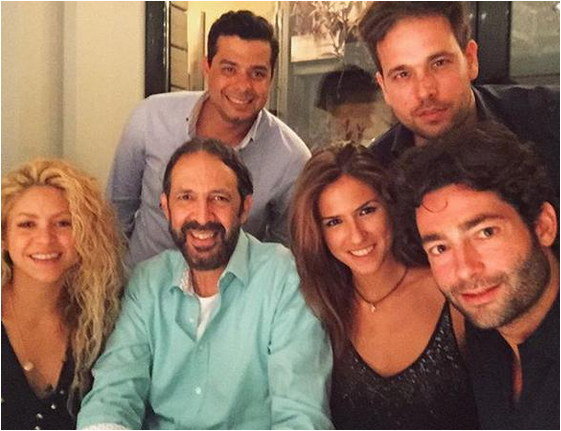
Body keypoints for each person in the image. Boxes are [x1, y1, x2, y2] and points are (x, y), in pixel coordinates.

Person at [77, 138, 333, 430]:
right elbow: (114, 393)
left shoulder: (284, 278)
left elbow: (300, 415)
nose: (202, 216)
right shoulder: (148, 282)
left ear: (244, 208)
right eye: (186, 197)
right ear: (166, 207)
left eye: (219, 198)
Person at [289, 143, 478, 429]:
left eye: (366, 211)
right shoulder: (319, 306)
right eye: (334, 222)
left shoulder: (449, 289)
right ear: (317, 233)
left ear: (390, 206)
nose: (357, 236)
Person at [108, 10, 311, 268]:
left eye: (257, 73)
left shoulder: (292, 159)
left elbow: (282, 254)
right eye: (229, 69)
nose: (243, 86)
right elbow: (115, 215)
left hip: (228, 291)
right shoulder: (150, 118)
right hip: (139, 284)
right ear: (207, 67)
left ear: (271, 77)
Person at [396, 122, 559, 429]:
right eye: (440, 248)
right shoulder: (485, 337)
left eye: (485, 233)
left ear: (543, 226)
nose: (465, 269)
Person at [358, 1, 559, 188]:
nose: (425, 91)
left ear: (471, 60)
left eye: (439, 63)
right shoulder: (374, 177)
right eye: (402, 74)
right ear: (384, 87)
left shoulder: (550, 119)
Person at [1, 159, 125, 430]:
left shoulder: (103, 321)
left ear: (86, 234)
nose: (45, 239)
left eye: (62, 223)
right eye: (27, 224)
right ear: (4, 238)